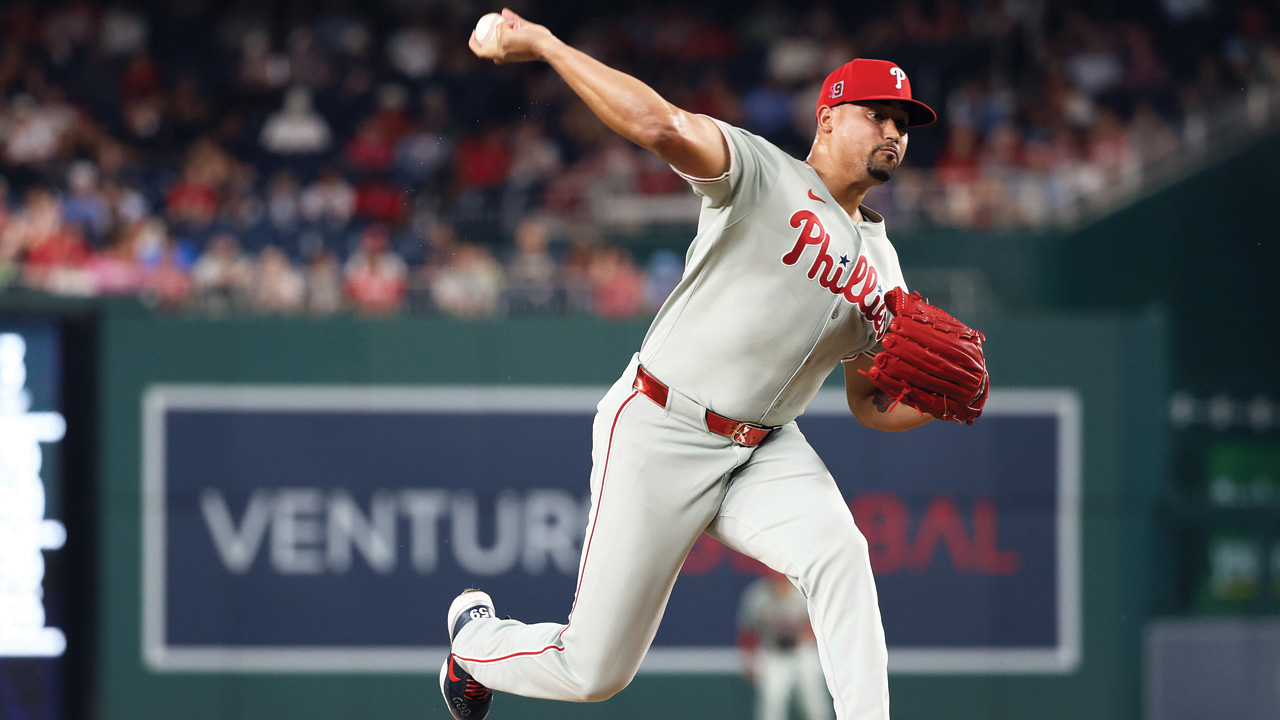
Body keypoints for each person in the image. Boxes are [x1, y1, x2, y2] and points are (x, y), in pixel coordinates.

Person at [442, 9, 941, 720]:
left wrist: (938, 403)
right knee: (595, 671)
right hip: (661, 424)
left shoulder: (886, 269)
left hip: (766, 449)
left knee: (842, 554)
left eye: (904, 122)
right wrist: (548, 45)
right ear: (828, 120)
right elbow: (662, 126)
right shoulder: (765, 174)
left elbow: (868, 403)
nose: (894, 131)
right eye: (878, 114)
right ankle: (474, 644)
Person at [738, 570, 833, 720]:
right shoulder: (757, 596)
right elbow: (748, 632)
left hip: (802, 652)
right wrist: (749, 660)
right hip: (773, 653)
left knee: (815, 705)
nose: (779, 583)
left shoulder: (801, 592)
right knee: (771, 707)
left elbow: (818, 626)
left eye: (782, 579)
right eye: (775, 578)